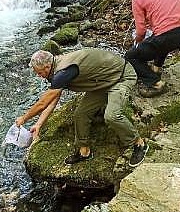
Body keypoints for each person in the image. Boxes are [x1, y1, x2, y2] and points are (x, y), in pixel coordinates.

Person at [15, 49, 148, 167]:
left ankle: (139, 143)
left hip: (121, 77)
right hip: (102, 82)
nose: (39, 76)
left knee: (112, 116)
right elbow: (53, 101)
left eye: (39, 72)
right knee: (81, 114)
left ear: (47, 66)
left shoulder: (63, 72)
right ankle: (84, 151)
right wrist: (38, 124)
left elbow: (42, 103)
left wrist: (24, 118)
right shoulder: (56, 71)